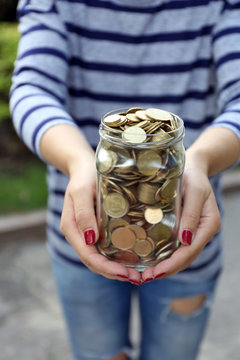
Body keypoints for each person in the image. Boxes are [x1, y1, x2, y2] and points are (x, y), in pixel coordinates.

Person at [10, 0, 240, 359]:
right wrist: (79, 161)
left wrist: (198, 159)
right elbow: (31, 90)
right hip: (83, 235)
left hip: (186, 232)